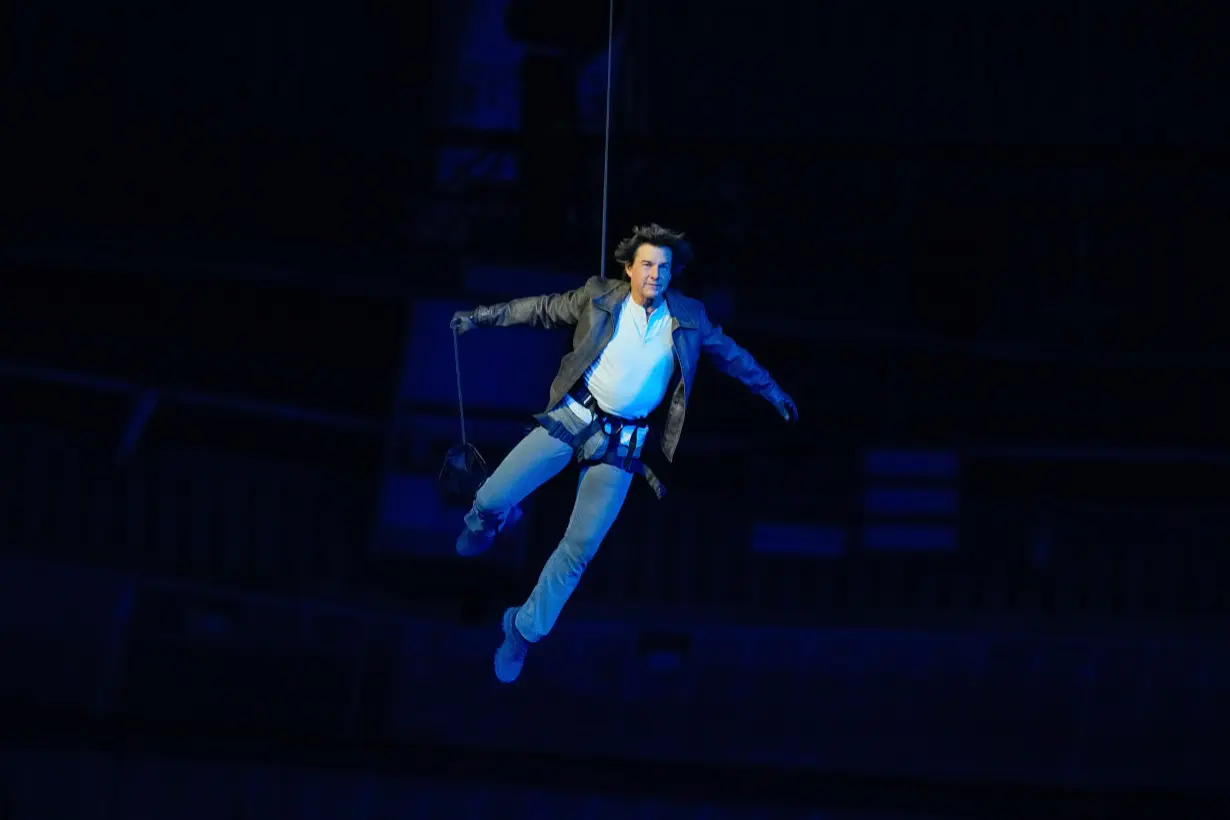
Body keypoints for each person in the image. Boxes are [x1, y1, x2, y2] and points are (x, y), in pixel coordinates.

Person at [450, 224, 798, 683]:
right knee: (493, 496)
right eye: (648, 265)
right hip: (575, 417)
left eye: (664, 267)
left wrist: (770, 388)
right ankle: (486, 522)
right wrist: (481, 316)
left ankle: (521, 629)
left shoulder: (688, 317)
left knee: (579, 550)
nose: (655, 274)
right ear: (630, 268)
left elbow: (731, 356)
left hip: (624, 445)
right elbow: (539, 309)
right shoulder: (598, 297)